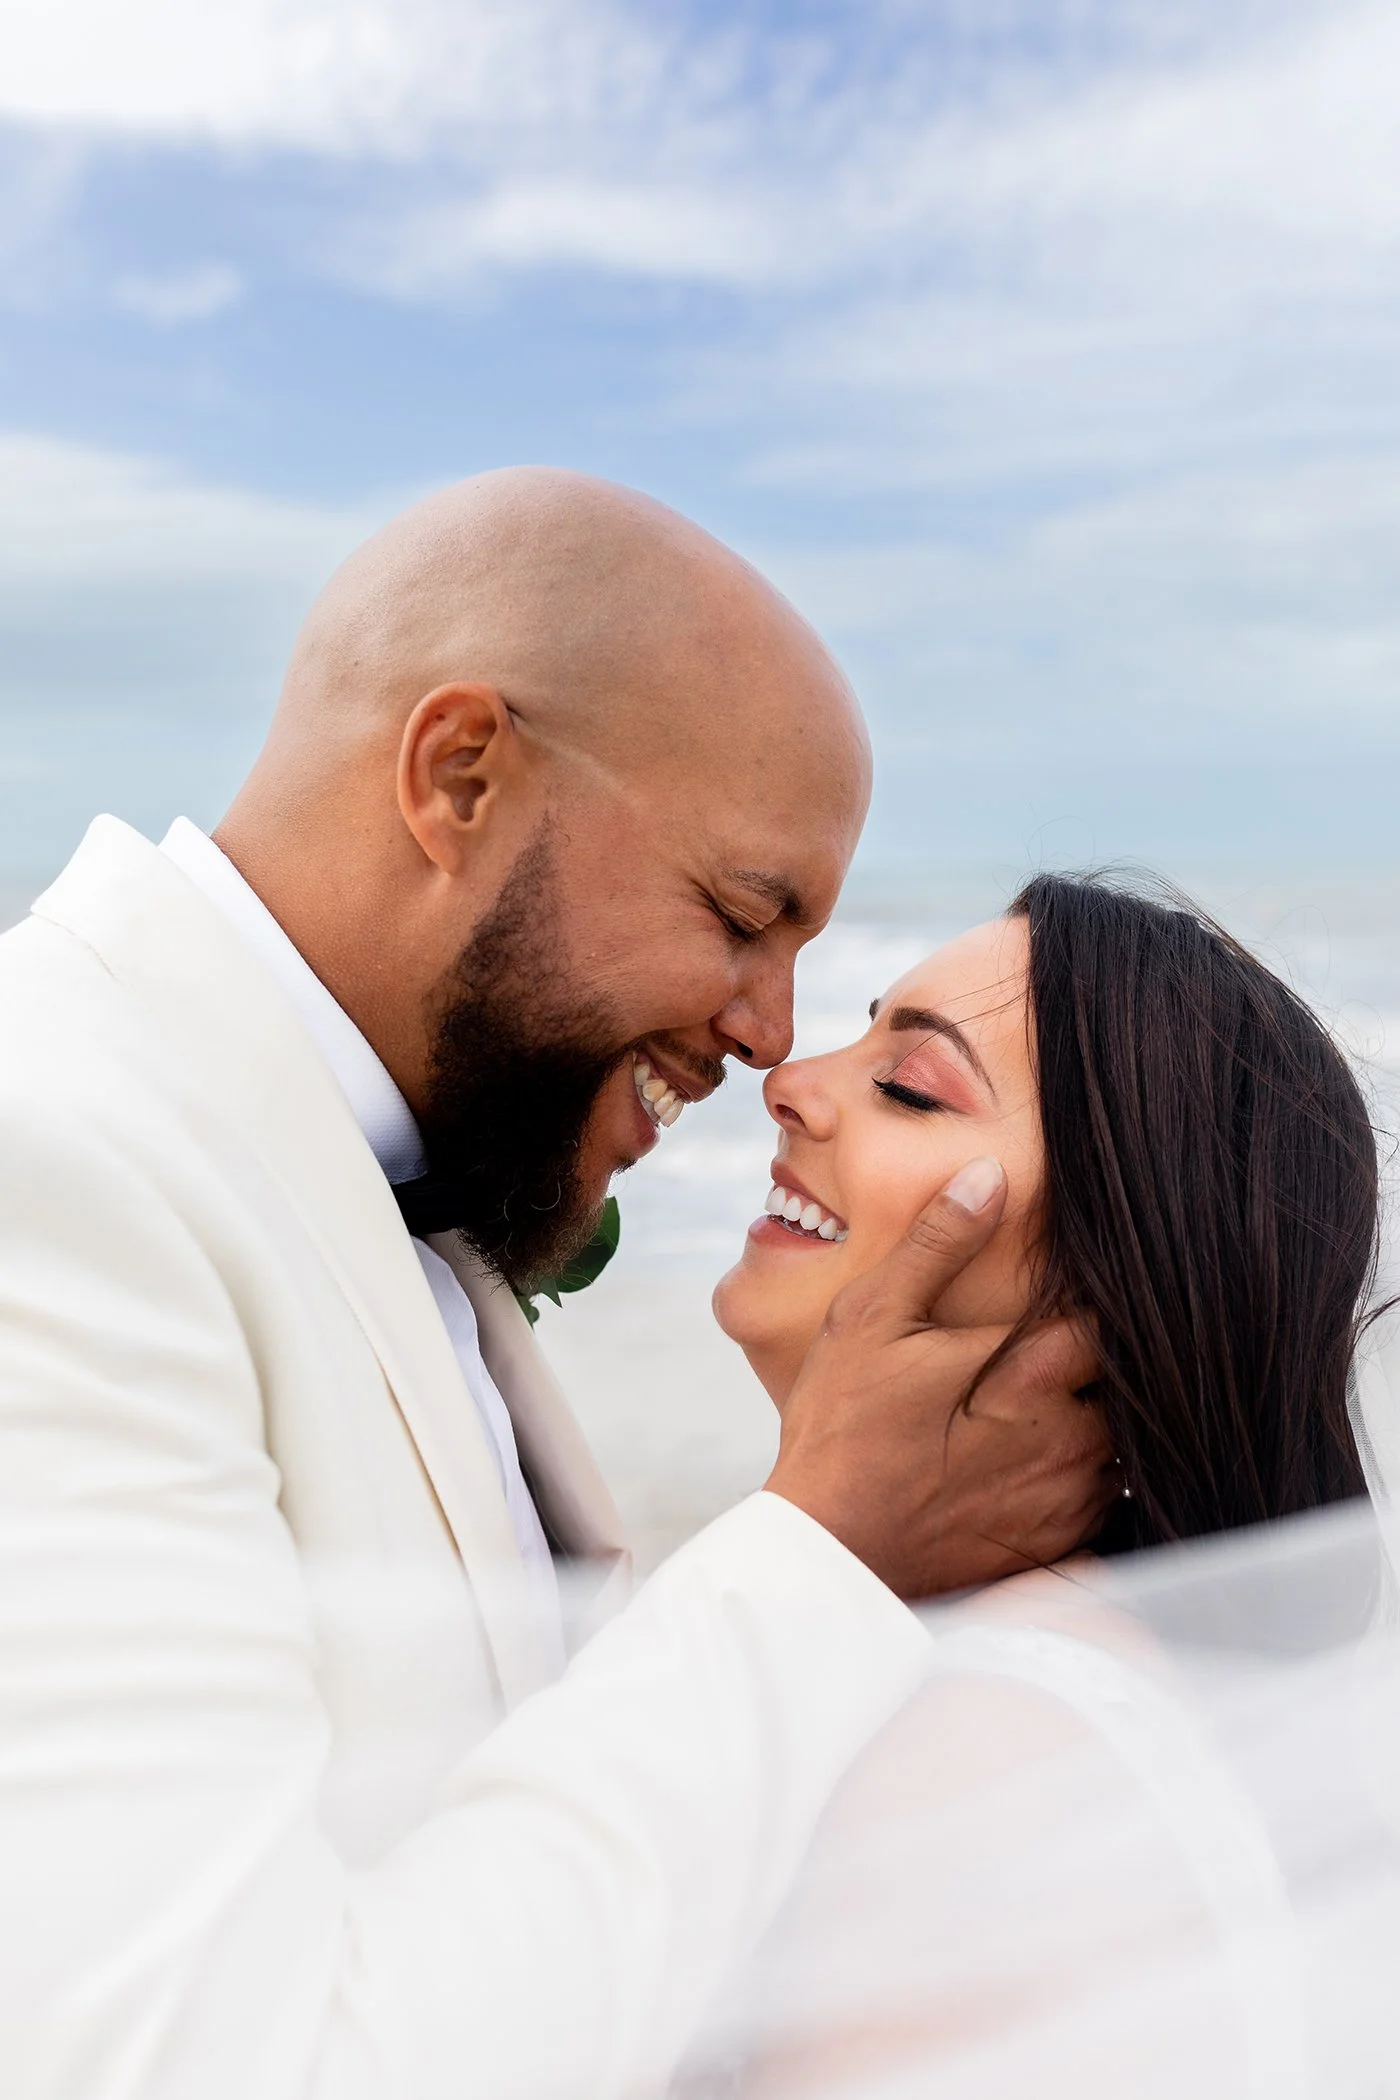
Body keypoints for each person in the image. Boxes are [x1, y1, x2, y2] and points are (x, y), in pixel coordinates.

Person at [0, 470, 1111, 2100]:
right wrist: (821, 1549)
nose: (770, 1037)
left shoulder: (383, 1178)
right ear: (460, 777)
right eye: (744, 915)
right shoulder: (55, 1155)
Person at [701, 870, 1381, 2098]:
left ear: (1103, 1288)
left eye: (909, 1086)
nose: (788, 1083)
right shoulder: (1021, 1678)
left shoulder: (989, 1755)